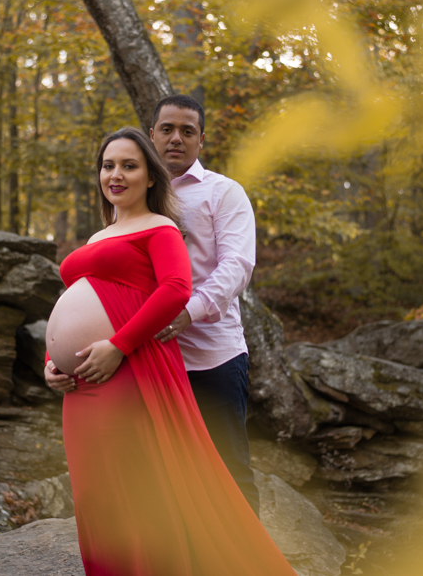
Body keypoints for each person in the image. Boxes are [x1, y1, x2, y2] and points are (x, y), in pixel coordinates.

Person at [43, 127, 295, 575]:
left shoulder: (161, 229)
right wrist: (52, 363)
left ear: (151, 177)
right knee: (93, 492)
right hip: (79, 386)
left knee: (130, 489)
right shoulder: (100, 235)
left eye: (129, 165)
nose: (115, 174)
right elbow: (80, 297)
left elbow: (176, 290)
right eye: (108, 165)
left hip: (123, 373)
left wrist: (119, 347)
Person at [49, 95, 260, 514]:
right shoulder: (127, 205)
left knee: (227, 469)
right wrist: (57, 357)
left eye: (187, 131)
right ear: (151, 136)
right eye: (166, 129)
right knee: (161, 478)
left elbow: (237, 265)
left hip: (209, 356)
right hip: (143, 362)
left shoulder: (223, 192)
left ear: (202, 139)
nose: (176, 139)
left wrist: (188, 311)